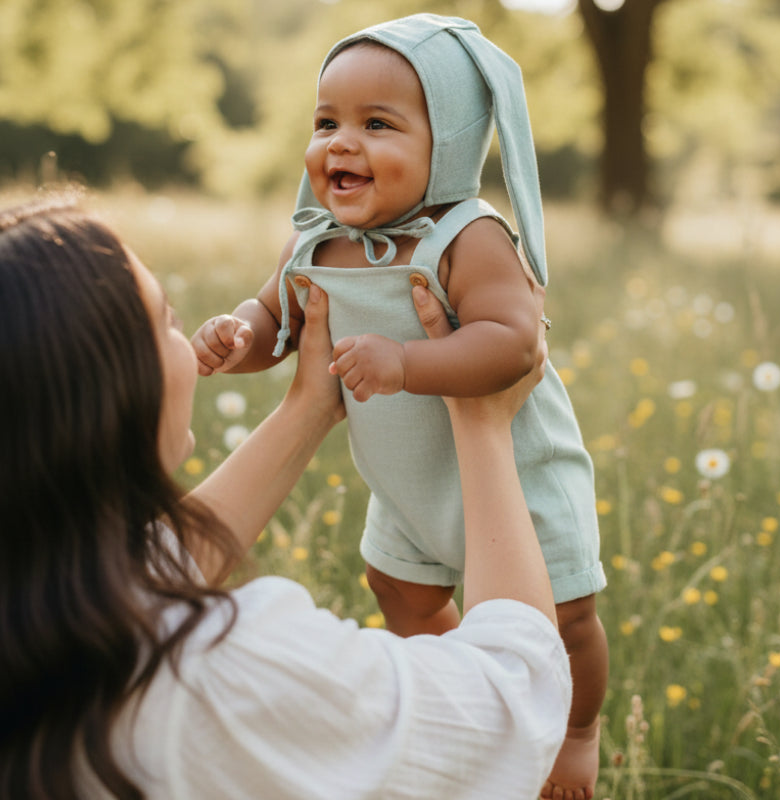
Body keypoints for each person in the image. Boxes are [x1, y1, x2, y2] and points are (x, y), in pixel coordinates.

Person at [0, 194, 568, 800]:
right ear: (106, 395)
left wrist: (312, 404)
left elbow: (140, 572)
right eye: (166, 321)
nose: (182, 336)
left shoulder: (34, 607)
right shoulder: (226, 674)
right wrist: (482, 422)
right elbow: (509, 708)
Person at [191, 14, 606, 799]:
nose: (340, 144)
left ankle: (573, 730)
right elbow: (276, 318)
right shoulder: (313, 238)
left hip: (515, 478)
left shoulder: (466, 237)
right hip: (407, 482)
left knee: (568, 619)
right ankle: (475, 693)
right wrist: (236, 337)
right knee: (400, 593)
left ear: (446, 143)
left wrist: (409, 362)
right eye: (326, 122)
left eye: (377, 124)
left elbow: (516, 342)